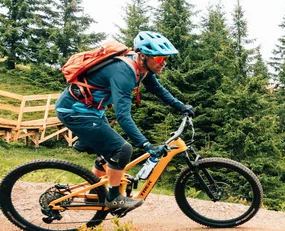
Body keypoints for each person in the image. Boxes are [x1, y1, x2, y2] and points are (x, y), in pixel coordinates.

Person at [55, 31, 194, 212]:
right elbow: (122, 116)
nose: (164, 63)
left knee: (107, 154)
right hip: (74, 111)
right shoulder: (124, 73)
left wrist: (181, 106)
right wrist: (146, 145)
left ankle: (93, 195)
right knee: (122, 149)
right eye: (160, 58)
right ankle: (114, 199)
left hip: (91, 111)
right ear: (143, 56)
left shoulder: (142, 69)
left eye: (165, 59)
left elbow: (158, 90)